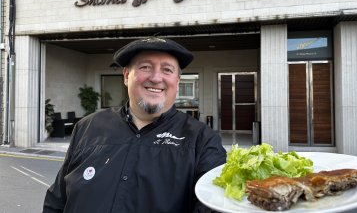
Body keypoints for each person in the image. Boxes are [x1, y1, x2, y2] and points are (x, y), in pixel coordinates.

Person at [43, 37, 227, 213]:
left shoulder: (202, 140)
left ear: (177, 82)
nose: (156, 78)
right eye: (145, 67)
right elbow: (56, 200)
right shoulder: (87, 127)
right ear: (126, 76)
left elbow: (213, 206)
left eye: (167, 70)